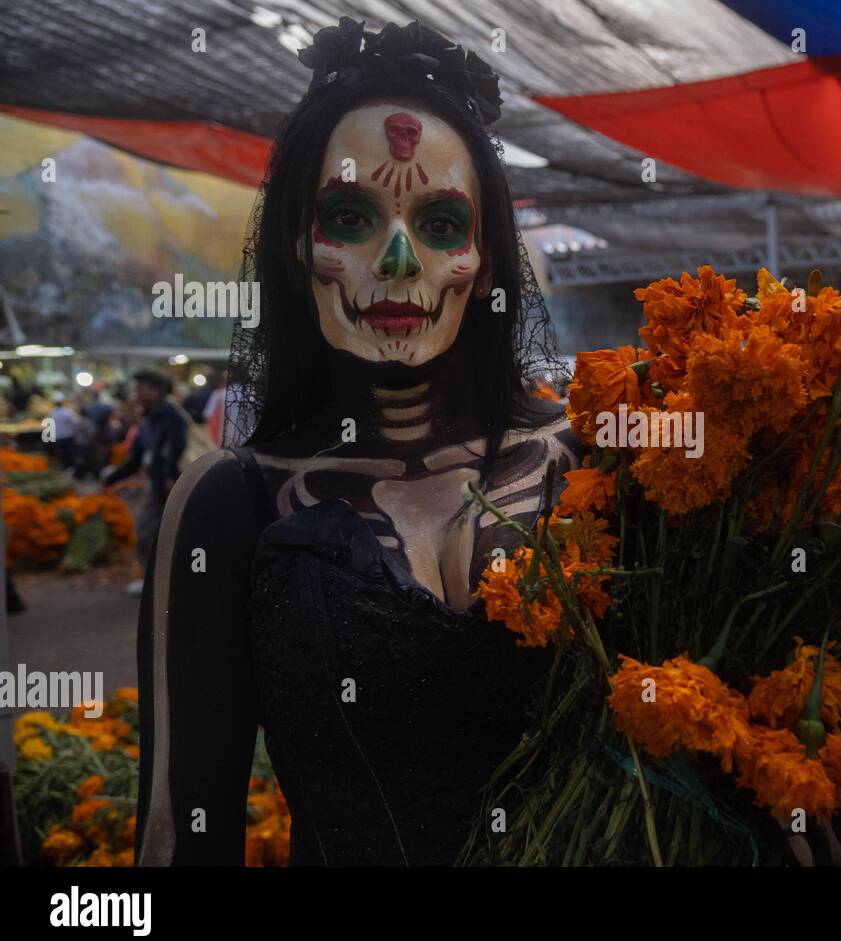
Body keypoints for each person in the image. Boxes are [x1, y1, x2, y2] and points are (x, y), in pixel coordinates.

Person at [135, 20, 581, 866]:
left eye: (443, 223)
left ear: (485, 263)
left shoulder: (591, 459)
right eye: (351, 215)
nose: (401, 259)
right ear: (297, 250)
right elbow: (177, 835)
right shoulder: (229, 503)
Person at [103, 369, 188, 596]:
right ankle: (161, 581)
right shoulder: (149, 418)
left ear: (157, 391)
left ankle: (160, 584)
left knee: (150, 532)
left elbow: (176, 447)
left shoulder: (170, 416)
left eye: (142, 388)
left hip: (171, 484)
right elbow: (138, 456)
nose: (137, 392)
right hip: (157, 484)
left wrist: (170, 475)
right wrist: (112, 478)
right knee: (155, 533)